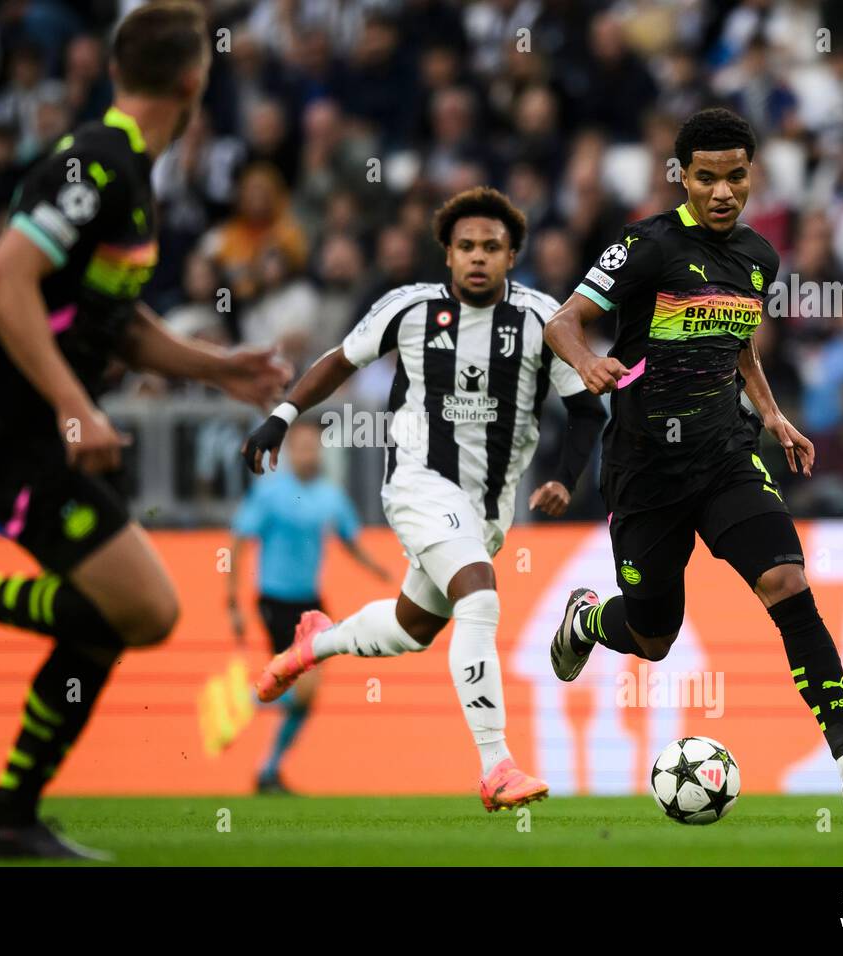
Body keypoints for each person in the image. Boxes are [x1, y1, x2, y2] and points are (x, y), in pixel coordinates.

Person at [0, 1, 290, 860]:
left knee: (105, 624)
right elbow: (5, 280)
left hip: (46, 423)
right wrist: (75, 404)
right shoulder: (98, 162)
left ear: (118, 71)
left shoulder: (131, 176)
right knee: (146, 609)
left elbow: (117, 320)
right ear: (193, 82)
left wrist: (218, 369)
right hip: (16, 423)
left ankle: (7, 818)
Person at [543, 108, 843, 817]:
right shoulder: (645, 247)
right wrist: (588, 363)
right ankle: (587, 621)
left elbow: (737, 343)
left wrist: (770, 413)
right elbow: (562, 321)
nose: (721, 191)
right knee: (653, 635)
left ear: (751, 175)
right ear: (682, 176)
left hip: (723, 453)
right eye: (706, 177)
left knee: (786, 581)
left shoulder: (759, 258)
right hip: (645, 469)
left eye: (735, 176)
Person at [242, 186, 603, 812]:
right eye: (466, 247)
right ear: (447, 255)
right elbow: (339, 360)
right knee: (481, 595)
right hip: (416, 481)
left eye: (491, 247)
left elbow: (585, 410)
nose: (478, 258)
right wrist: (282, 413)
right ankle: (497, 766)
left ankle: (316, 641)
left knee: (414, 629)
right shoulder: (407, 309)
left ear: (512, 255)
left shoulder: (545, 319)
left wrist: (566, 480)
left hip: (488, 509)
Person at [228, 419, 389, 793]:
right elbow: (239, 540)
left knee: (305, 697)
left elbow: (349, 538)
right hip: (275, 600)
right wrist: (232, 601)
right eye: (300, 446)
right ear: (288, 453)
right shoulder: (270, 492)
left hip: (311, 602)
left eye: (313, 446)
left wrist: (378, 568)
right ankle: (247, 701)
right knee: (303, 690)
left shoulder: (329, 495)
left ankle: (268, 769)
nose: (308, 453)